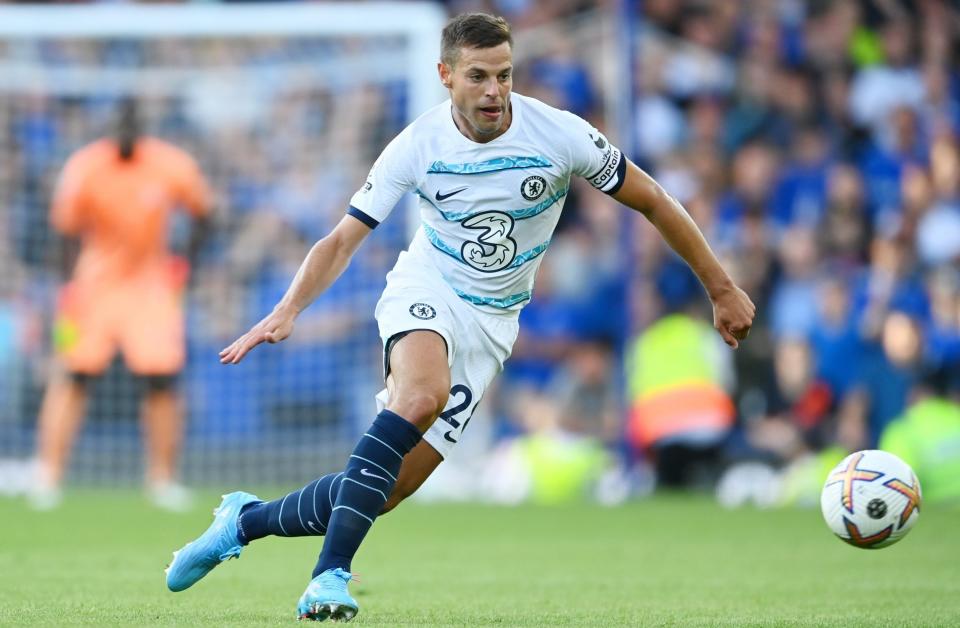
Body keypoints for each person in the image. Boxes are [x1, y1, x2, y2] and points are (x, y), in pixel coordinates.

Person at [165, 13, 755, 622]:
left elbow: (654, 200)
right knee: (421, 394)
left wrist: (721, 287)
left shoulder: (560, 135)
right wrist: (287, 309)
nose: (494, 91)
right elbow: (342, 240)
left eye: (504, 75)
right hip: (427, 288)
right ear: (446, 75)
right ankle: (327, 578)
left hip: (492, 325)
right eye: (478, 76)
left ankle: (242, 521)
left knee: (382, 491)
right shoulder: (417, 144)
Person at [30, 99, 212, 511]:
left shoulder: (170, 164)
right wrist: (67, 289)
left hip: (152, 286)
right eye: (119, 123)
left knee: (161, 378)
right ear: (109, 128)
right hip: (94, 285)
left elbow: (206, 213)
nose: (126, 130)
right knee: (74, 373)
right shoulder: (85, 167)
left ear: (142, 128)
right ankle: (49, 472)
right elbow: (64, 231)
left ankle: (162, 478)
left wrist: (186, 265)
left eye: (132, 123)